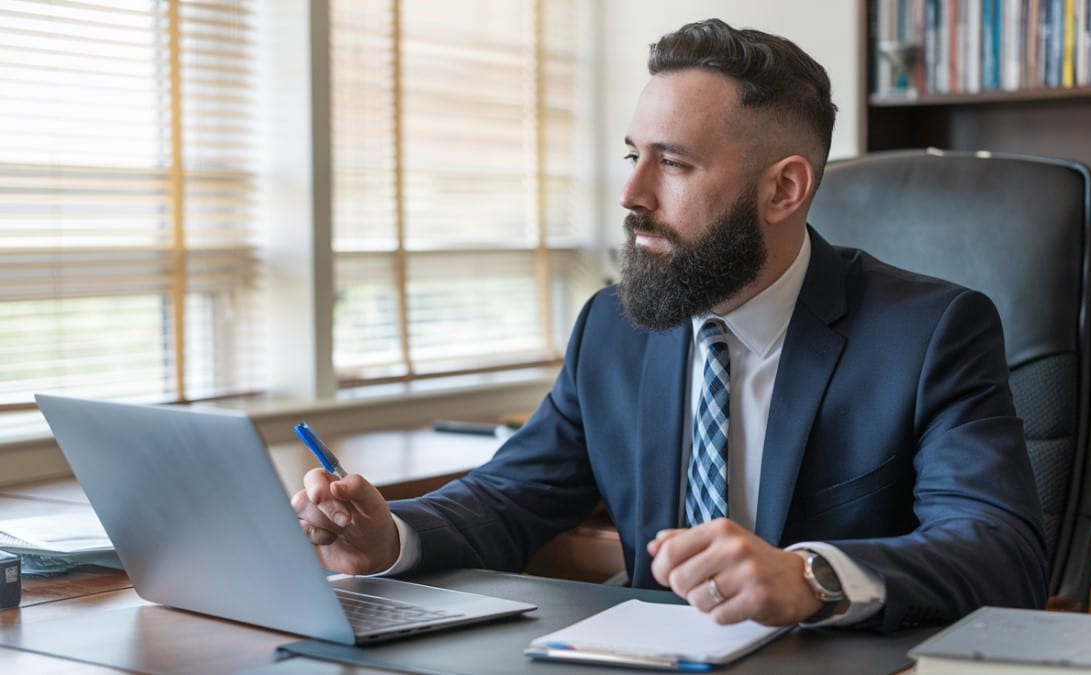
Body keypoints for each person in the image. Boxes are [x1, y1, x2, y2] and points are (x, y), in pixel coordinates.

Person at [292, 18, 1048, 633]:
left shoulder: (932, 331)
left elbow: (1000, 550)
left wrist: (811, 575)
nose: (631, 193)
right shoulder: (613, 327)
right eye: (632, 155)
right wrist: (388, 536)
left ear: (783, 188)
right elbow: (509, 496)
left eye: (673, 164)